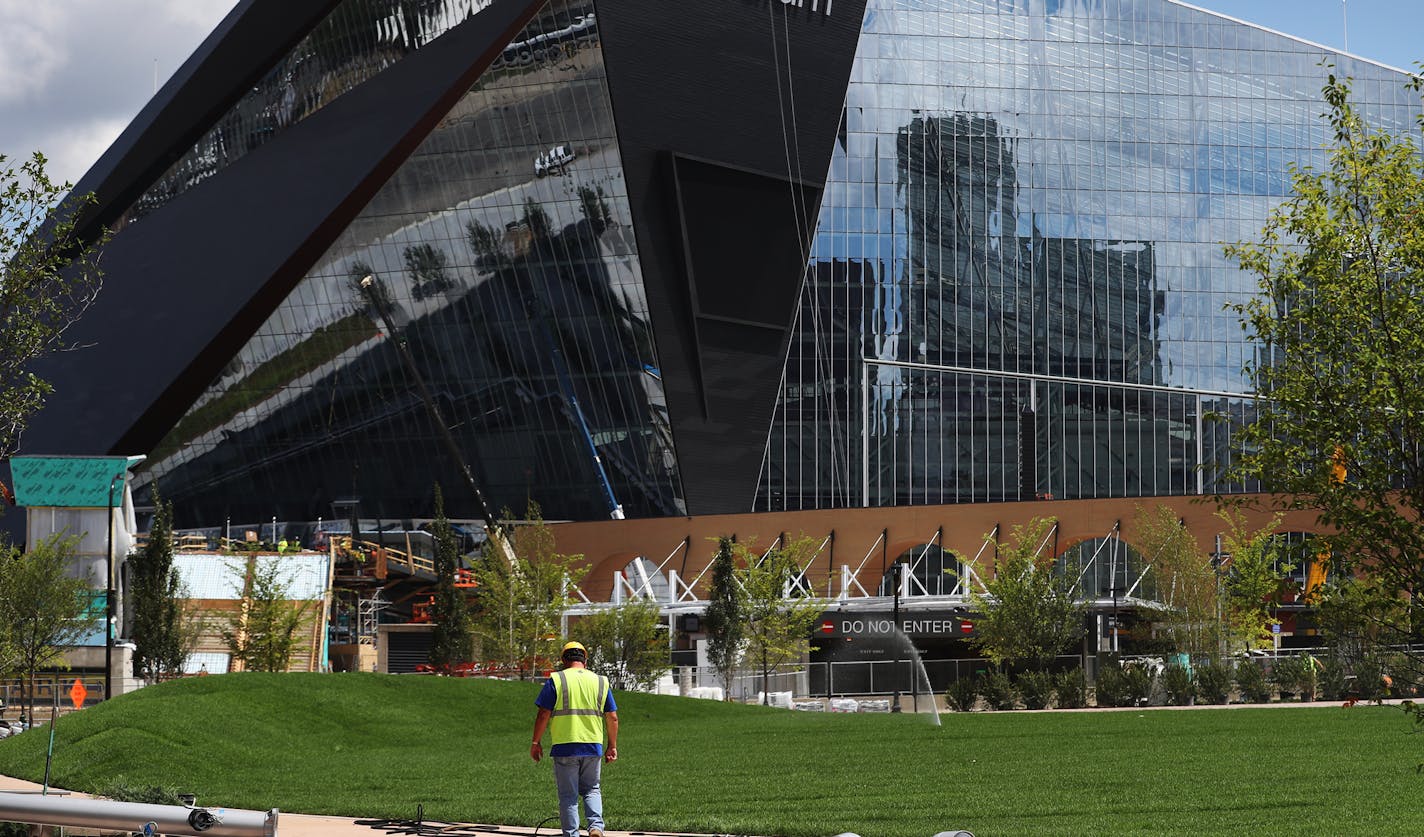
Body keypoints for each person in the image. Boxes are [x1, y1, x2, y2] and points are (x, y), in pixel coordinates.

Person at [530, 641, 618, 837]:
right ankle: (596, 827)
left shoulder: (557, 679)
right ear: (585, 660)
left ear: (563, 660)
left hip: (565, 746)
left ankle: (571, 835)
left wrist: (536, 743)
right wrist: (612, 746)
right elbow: (612, 717)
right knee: (592, 789)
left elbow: (543, 714)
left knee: (568, 795)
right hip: (592, 745)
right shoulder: (600, 681)